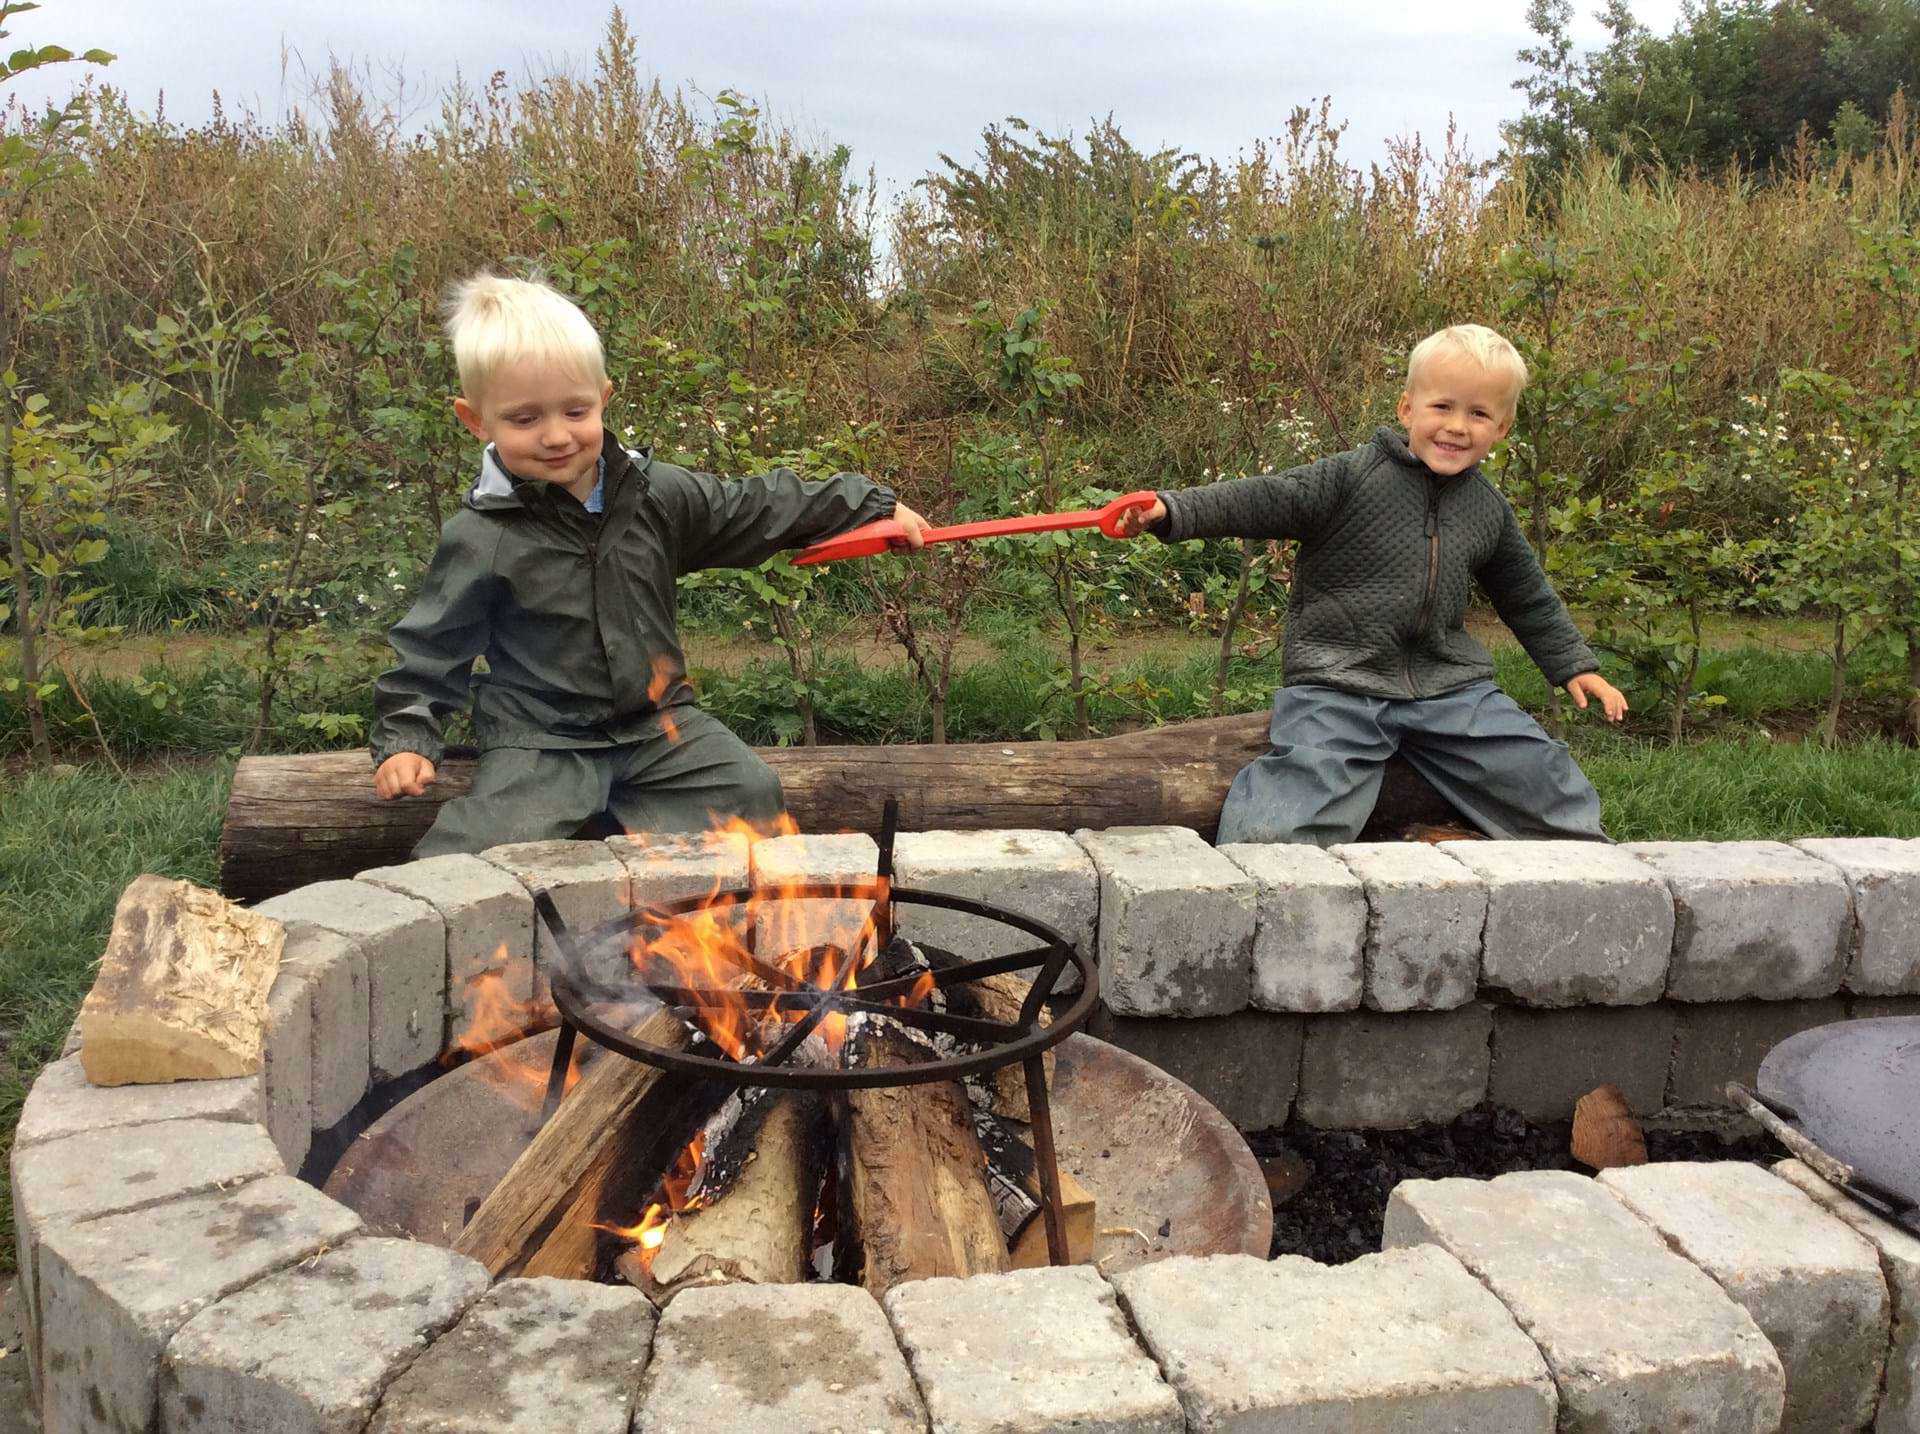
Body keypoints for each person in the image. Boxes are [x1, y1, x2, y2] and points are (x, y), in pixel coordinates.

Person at [370, 272, 929, 855]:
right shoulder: (482, 535)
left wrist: (872, 507)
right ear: (476, 420)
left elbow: (755, 505)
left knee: (751, 792)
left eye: (575, 410)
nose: (557, 436)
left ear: (603, 398)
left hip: (659, 729)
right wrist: (408, 738)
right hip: (542, 744)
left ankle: (716, 937)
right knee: (470, 858)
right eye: (525, 419)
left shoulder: (654, 495)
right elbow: (431, 649)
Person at [1113, 322, 1628, 845]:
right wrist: (1169, 509)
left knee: (1543, 777)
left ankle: (1586, 867)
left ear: (1502, 427)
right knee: (1293, 803)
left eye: (1478, 413)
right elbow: (1263, 497)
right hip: (1340, 682)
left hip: (1450, 689)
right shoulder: (1350, 478)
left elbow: (1527, 596)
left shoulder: (1486, 509)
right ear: (1407, 409)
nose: (1456, 426)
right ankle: (1255, 883)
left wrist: (1575, 666)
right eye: (1442, 407)